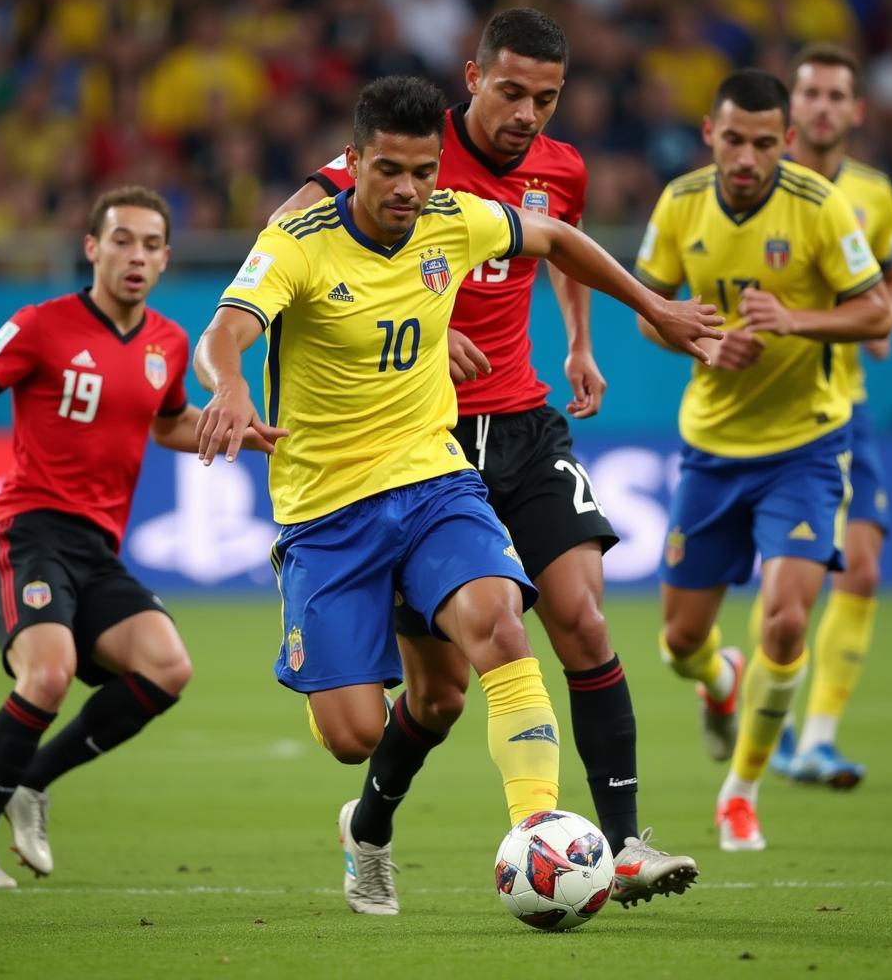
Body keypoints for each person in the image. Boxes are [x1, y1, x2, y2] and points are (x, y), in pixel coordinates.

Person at [194, 74, 722, 914]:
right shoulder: (297, 241)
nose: (408, 190)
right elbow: (224, 330)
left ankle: (542, 833)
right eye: (390, 171)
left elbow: (552, 237)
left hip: (434, 480)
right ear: (355, 163)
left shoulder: (453, 220)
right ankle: (363, 823)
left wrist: (653, 306)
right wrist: (228, 386)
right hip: (326, 509)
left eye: (424, 171)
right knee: (358, 732)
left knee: (506, 629)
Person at [0, 185, 282, 889]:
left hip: (97, 548)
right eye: (122, 240)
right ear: (92, 248)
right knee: (49, 674)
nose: (136, 256)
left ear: (165, 260)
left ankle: (31, 782)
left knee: (168, 666)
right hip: (29, 532)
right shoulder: (41, 324)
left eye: (151, 245)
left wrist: (238, 433)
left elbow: (167, 424)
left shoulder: (168, 342)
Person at [634, 69, 892, 852]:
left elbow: (876, 310)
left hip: (806, 447)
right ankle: (722, 680)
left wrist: (796, 319)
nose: (747, 157)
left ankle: (740, 791)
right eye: (734, 139)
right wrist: (702, 339)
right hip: (712, 450)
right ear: (710, 133)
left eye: (764, 142)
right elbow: (650, 307)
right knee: (680, 642)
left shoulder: (819, 206)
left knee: (786, 620)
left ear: (786, 140)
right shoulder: (681, 203)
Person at [764, 44, 892, 788]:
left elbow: (891, 275)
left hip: (845, 403)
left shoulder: (875, 194)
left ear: (855, 110)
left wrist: (882, 321)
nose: (822, 106)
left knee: (866, 566)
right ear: (793, 107)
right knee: (793, 583)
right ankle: (772, 724)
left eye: (835, 95)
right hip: (774, 412)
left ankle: (817, 739)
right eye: (810, 92)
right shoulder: (763, 186)